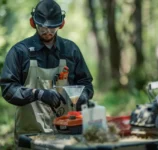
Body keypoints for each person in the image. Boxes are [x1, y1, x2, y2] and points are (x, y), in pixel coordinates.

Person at [0, 0, 94, 146]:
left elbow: (86, 83)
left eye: (52, 27)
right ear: (33, 22)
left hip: (67, 134)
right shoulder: (19, 52)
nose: (47, 31)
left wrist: (84, 95)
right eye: (42, 26)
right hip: (31, 135)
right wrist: (38, 94)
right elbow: (8, 89)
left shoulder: (71, 50)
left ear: (61, 24)